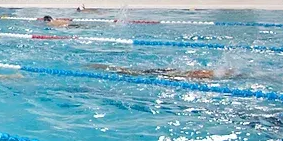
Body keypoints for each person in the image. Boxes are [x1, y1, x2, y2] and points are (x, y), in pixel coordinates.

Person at [88, 63, 231, 81]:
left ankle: (106, 67)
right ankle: (107, 68)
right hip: (170, 72)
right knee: (133, 72)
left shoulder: (206, 74)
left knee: (133, 72)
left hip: (170, 73)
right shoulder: (210, 73)